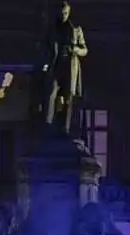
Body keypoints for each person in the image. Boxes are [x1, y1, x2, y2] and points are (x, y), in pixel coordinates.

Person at [40, 1, 88, 135]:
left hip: (70, 68)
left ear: (69, 12)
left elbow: (85, 50)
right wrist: (46, 62)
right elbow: (44, 47)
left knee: (68, 97)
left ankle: (65, 128)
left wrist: (76, 49)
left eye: (65, 13)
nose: (63, 16)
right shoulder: (52, 29)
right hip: (55, 66)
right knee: (51, 93)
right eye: (61, 13)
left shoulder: (76, 29)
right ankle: (48, 124)